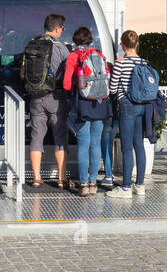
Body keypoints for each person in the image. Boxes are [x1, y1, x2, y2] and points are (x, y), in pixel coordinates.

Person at [23, 13, 72, 188]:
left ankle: (36, 177)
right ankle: (61, 178)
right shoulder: (61, 48)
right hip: (56, 97)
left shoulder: (32, 45)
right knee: (60, 136)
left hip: (35, 96)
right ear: (58, 29)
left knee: (36, 136)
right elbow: (68, 73)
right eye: (62, 29)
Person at [62, 26, 111, 197]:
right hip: (99, 103)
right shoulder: (100, 55)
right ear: (90, 40)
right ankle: (93, 183)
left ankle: (83, 184)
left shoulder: (74, 56)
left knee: (83, 144)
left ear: (75, 40)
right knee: (95, 144)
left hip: (82, 104)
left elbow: (67, 84)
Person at [108, 29, 153, 197]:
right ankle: (139, 185)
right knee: (139, 145)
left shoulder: (120, 63)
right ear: (137, 44)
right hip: (142, 106)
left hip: (127, 105)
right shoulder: (144, 63)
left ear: (123, 45)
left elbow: (112, 88)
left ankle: (126, 187)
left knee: (126, 147)